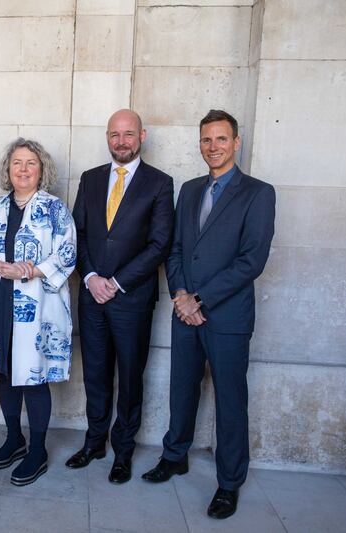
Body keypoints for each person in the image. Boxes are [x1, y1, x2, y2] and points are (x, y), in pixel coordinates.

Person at [141, 110, 275, 520]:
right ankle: (175, 455)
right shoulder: (191, 189)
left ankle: (229, 482)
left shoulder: (258, 192)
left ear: (236, 143)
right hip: (186, 312)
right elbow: (178, 249)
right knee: (181, 387)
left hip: (227, 317)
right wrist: (181, 294)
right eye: (205, 140)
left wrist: (199, 299)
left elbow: (252, 260)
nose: (212, 147)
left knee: (230, 400)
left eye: (220, 139)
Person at [67, 109, 175, 484]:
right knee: (95, 375)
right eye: (115, 134)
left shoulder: (160, 183)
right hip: (91, 297)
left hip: (131, 299)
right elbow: (76, 234)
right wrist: (93, 276)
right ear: (107, 137)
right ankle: (94, 442)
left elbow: (160, 243)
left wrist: (116, 282)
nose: (121, 141)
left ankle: (123, 452)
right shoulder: (90, 179)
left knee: (130, 379)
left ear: (142, 136)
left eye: (128, 134)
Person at [0, 138, 77, 486]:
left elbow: (67, 252)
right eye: (17, 163)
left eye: (30, 163)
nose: (23, 169)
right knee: (4, 371)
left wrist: (30, 270)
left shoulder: (55, 209)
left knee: (33, 376)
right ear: (7, 169)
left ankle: (38, 449)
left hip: (37, 306)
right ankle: (15, 438)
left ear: (42, 169)